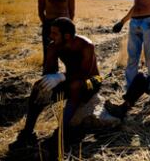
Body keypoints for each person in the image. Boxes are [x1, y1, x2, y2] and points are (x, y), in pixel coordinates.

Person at [13, 17, 102, 146]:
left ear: (66, 36)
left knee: (75, 85)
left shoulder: (86, 45)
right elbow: (49, 70)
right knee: (39, 85)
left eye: (54, 33)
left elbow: (85, 73)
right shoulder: (53, 46)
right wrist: (48, 82)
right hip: (70, 78)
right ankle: (28, 131)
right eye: (51, 32)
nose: (50, 36)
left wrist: (60, 77)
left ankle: (63, 130)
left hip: (93, 81)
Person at [38, 0, 75, 66]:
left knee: (69, 53)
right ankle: (50, 75)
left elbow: (72, 12)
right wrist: (47, 26)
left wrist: (68, 27)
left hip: (65, 25)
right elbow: (40, 12)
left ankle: (72, 75)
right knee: (49, 53)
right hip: (50, 25)